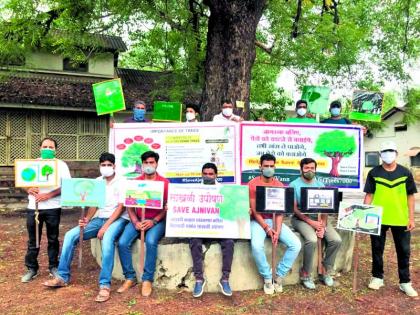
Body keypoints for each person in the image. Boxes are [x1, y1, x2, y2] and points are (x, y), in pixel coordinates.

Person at [43, 153, 129, 303]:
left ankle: (104, 285)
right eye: (103, 165)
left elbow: (121, 208)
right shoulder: (97, 182)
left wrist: (106, 227)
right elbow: (94, 204)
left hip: (117, 220)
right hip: (98, 219)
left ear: (114, 166)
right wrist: (86, 220)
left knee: (107, 239)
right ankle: (62, 276)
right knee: (70, 235)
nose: (106, 167)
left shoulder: (122, 182)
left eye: (109, 165)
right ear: (99, 166)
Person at [364, 141, 418, 297]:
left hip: (400, 218)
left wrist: (411, 218)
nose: (388, 154)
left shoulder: (405, 172)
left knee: (404, 251)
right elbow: (369, 195)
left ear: (396, 153)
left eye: (391, 151)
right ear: (380, 154)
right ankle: (377, 277)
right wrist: (363, 217)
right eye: (385, 151)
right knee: (376, 249)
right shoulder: (374, 172)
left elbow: (410, 197)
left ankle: (405, 282)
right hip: (377, 218)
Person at [117, 151, 170, 297]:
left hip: (156, 221)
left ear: (157, 164)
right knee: (122, 243)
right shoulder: (135, 182)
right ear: (142, 164)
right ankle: (130, 277)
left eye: (151, 162)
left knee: (151, 241)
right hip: (138, 220)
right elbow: (129, 206)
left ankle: (147, 279)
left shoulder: (164, 183)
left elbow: (167, 207)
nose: (148, 165)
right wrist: (135, 221)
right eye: (146, 163)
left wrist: (154, 221)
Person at [248, 154, 301, 294]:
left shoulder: (279, 185)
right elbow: (254, 210)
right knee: (256, 246)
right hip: (258, 222)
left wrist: (276, 230)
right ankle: (267, 277)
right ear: (260, 167)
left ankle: (278, 276)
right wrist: (266, 228)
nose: (269, 168)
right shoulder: (253, 184)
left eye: (272, 166)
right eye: (266, 166)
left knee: (296, 244)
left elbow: (279, 212)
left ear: (275, 167)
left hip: (275, 220)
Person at [21, 137, 71, 283]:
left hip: (53, 207)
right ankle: (32, 268)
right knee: (33, 239)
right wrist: (28, 189)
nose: (47, 149)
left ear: (55, 149)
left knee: (53, 238)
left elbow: (66, 185)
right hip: (34, 207)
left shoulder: (61, 165)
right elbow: (23, 181)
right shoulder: (32, 164)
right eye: (45, 147)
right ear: (40, 148)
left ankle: (53, 267)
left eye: (51, 147)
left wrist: (48, 195)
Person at [290, 158, 342, 289]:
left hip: (320, 218)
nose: (309, 171)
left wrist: (323, 225)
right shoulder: (294, 185)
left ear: (315, 169)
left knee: (336, 240)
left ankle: (325, 270)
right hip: (301, 219)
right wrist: (311, 223)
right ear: (301, 169)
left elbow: (326, 207)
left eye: (312, 168)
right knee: (312, 240)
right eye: (306, 168)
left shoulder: (321, 185)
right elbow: (294, 209)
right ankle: (306, 273)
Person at [190, 163, 234, 298]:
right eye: (205, 174)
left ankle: (225, 279)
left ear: (216, 175)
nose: (208, 176)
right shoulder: (193, 190)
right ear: (201, 175)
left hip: (219, 227)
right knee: (194, 240)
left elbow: (230, 210)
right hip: (201, 227)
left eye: (211, 174)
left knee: (230, 242)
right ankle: (199, 279)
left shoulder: (224, 190)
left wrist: (245, 210)